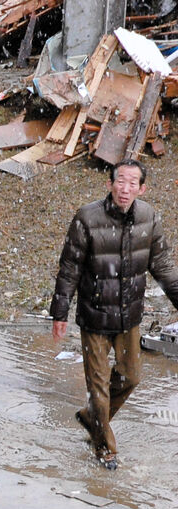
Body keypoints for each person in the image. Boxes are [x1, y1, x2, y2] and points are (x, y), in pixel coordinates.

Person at [50, 159, 178, 470]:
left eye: (132, 183)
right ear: (110, 184)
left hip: (128, 317)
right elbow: (70, 267)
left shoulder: (149, 217)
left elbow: (162, 266)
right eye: (120, 181)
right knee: (98, 388)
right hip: (94, 317)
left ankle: (91, 417)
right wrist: (60, 311)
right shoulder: (87, 217)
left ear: (142, 188)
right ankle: (105, 448)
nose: (125, 188)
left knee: (131, 377)